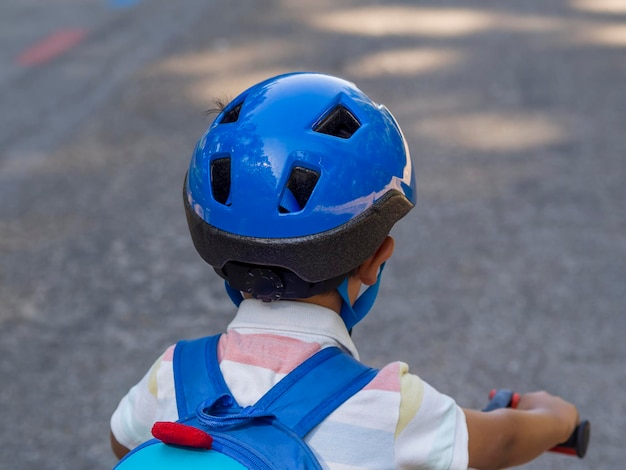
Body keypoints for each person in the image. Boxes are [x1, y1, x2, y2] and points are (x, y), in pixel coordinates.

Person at [110, 72, 579, 469]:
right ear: (377, 259)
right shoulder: (391, 406)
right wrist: (557, 417)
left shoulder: (174, 371)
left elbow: (124, 441)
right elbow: (507, 440)